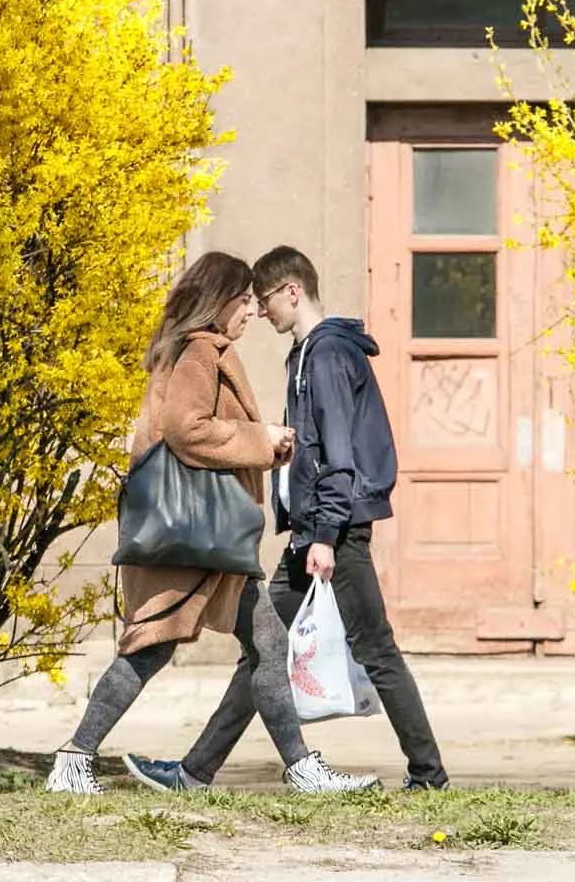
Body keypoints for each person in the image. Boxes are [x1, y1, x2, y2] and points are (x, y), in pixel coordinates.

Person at [45, 250, 378, 795]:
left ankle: (303, 770)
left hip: (215, 538)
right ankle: (74, 757)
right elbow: (186, 429)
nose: (251, 311)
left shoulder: (200, 348)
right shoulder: (201, 351)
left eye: (254, 300)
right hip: (194, 537)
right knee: (151, 646)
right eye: (244, 300)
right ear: (219, 301)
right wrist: (261, 440)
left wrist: (263, 442)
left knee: (269, 645)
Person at [124, 245, 450, 793]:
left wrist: (323, 533)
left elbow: (338, 456)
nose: (258, 311)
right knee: (266, 649)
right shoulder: (304, 356)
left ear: (292, 292)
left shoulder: (326, 355)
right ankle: (195, 771)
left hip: (333, 531)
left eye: (264, 298)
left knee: (373, 647)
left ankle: (429, 774)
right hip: (315, 528)